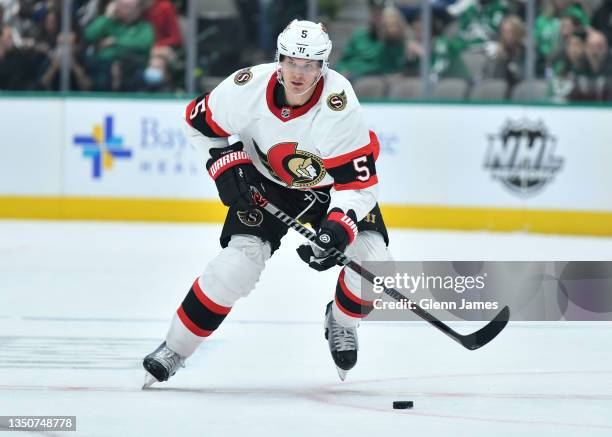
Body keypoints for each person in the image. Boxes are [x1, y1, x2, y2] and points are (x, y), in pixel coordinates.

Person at [142, 19, 392, 386]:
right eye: (291, 61)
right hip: (266, 183)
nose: (299, 73)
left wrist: (338, 226)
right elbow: (198, 124)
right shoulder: (248, 87)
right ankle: (175, 348)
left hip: (329, 189)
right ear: (279, 59)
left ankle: (341, 320)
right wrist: (225, 163)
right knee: (235, 266)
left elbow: (358, 185)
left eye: (309, 65)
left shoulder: (340, 105)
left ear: (323, 67)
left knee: (376, 265)